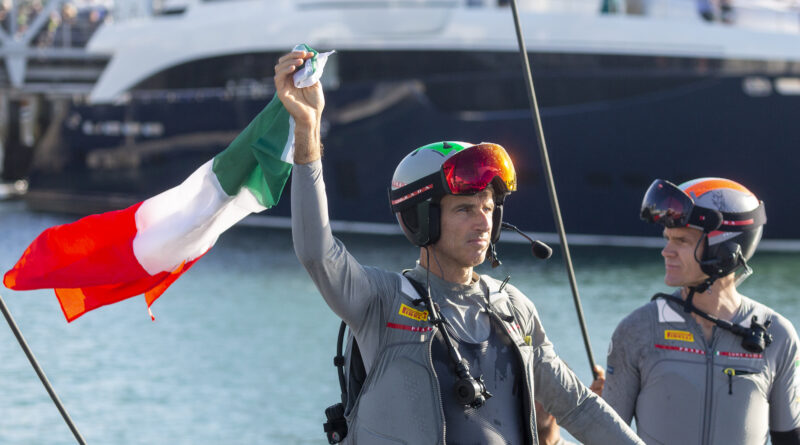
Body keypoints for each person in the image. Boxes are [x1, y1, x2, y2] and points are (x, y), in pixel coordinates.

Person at [276, 49, 644, 444]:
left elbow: (578, 408)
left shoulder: (514, 310)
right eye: (465, 209)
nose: (483, 221)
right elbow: (316, 252)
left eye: (488, 208)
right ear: (421, 218)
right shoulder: (380, 301)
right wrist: (307, 129)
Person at [603, 177, 800, 445]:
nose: (666, 252)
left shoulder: (779, 336)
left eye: (681, 241)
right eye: (667, 239)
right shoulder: (636, 329)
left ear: (725, 249)